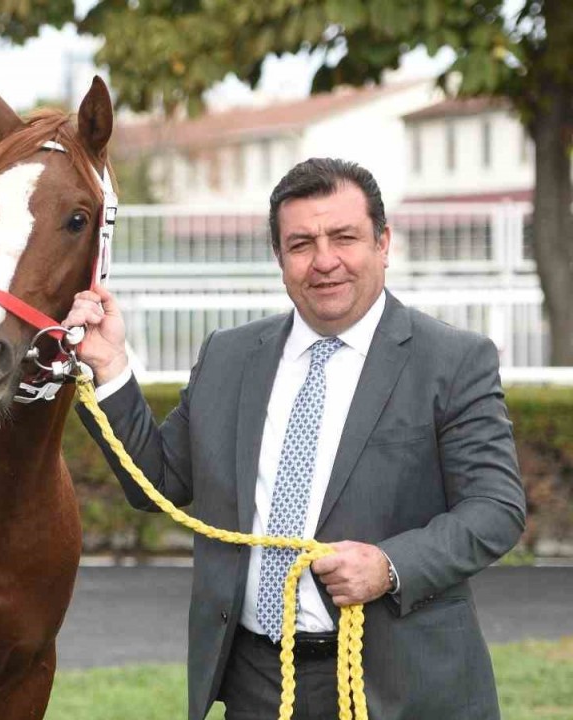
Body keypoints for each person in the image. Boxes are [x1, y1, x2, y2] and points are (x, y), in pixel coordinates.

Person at [64, 158, 526, 720]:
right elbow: (158, 482)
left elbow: (496, 509)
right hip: (256, 681)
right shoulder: (228, 357)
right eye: (301, 243)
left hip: (398, 682)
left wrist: (390, 564)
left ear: (384, 242)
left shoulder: (452, 360)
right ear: (280, 258)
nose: (324, 260)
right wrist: (111, 367)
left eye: (344, 237)